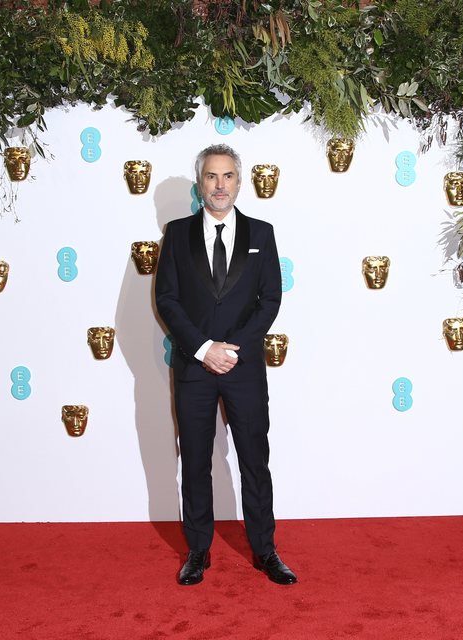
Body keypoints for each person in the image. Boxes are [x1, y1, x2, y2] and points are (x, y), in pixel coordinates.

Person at [155, 143, 297, 586]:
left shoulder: (262, 232)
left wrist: (231, 347)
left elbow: (269, 299)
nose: (220, 185)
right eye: (212, 177)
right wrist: (202, 349)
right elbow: (167, 300)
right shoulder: (176, 235)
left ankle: (266, 550)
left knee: (255, 459)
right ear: (200, 184)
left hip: (244, 366)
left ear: (240, 182)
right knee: (195, 459)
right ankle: (198, 550)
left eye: (228, 176)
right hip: (194, 368)